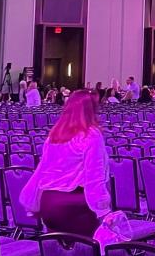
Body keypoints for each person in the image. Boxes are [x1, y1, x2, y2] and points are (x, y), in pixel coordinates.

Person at [18, 90, 112, 238]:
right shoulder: (91, 135)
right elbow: (94, 177)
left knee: (58, 253)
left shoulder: (54, 135)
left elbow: (42, 170)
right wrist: (105, 212)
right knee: (86, 255)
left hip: (48, 203)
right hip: (74, 205)